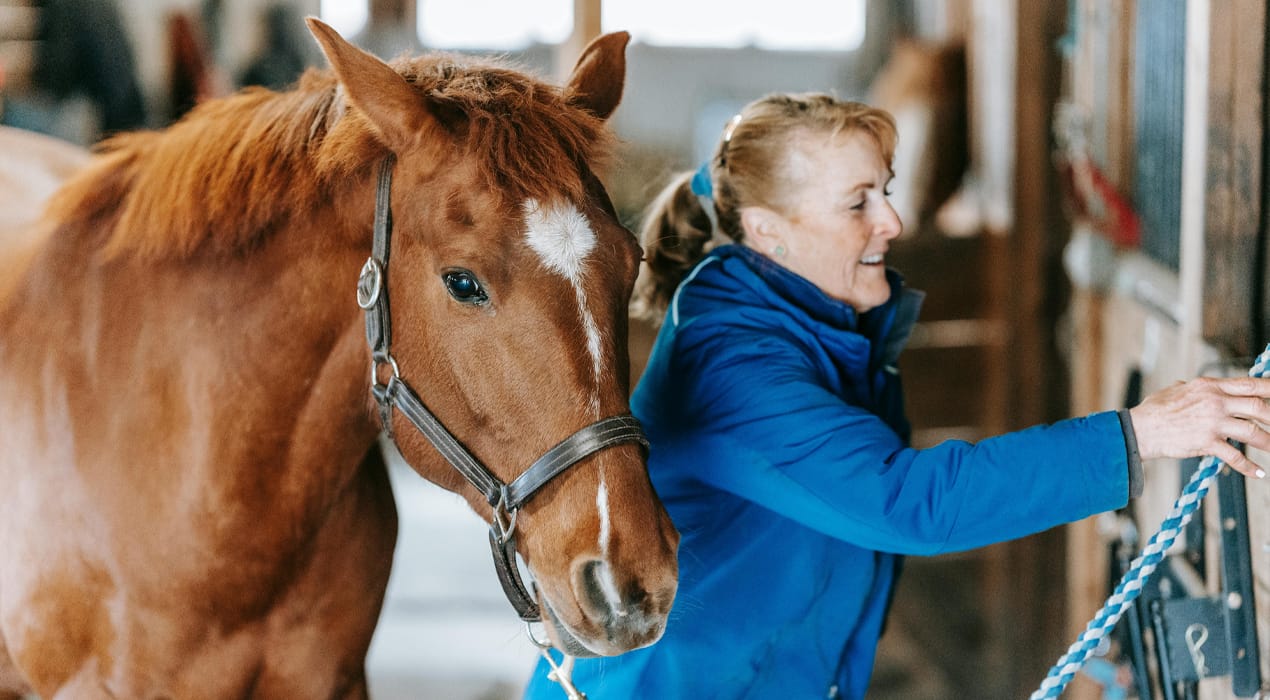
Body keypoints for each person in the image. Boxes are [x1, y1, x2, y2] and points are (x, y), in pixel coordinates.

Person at [523, 92, 1270, 700]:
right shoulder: (734, 363)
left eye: (885, 189)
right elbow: (906, 503)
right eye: (859, 203)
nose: (894, 220)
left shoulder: (821, 327)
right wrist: (1140, 435)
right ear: (767, 232)